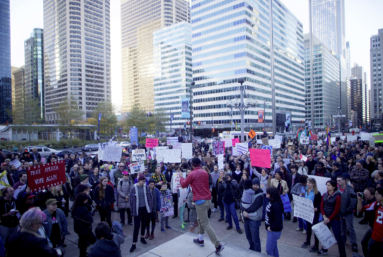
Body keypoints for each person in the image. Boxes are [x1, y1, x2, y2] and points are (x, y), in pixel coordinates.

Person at [179, 157, 224, 254]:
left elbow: (183, 185)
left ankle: (217, 244)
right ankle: (200, 239)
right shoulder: (205, 172)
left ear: (192, 164)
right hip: (207, 199)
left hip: (200, 201)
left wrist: (181, 177)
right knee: (200, 219)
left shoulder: (192, 174)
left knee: (205, 223)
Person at [319, 180, 346, 257]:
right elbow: (321, 206)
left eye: (329, 185)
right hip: (326, 217)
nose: (327, 187)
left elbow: (336, 209)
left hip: (334, 219)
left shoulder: (337, 196)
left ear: (334, 187)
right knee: (324, 235)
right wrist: (324, 216)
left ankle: (343, 254)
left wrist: (329, 219)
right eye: (327, 185)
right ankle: (324, 249)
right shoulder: (324, 194)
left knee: (338, 237)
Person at [128, 174, 153, 253]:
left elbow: (150, 197)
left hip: (145, 208)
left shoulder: (146, 187)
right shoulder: (133, 188)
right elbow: (131, 200)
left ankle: (142, 237)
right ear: (139, 180)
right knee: (136, 226)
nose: (143, 182)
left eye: (144, 181)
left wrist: (150, 207)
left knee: (144, 224)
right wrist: (132, 210)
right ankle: (134, 243)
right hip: (137, 209)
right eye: (142, 180)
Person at [336, 176, 358, 252]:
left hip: (348, 212)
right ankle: (343, 240)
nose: (337, 182)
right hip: (341, 211)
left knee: (350, 228)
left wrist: (347, 210)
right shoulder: (338, 189)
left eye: (339, 180)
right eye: (337, 180)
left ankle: (354, 243)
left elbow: (353, 202)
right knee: (342, 227)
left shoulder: (349, 190)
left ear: (344, 181)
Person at [241, 178, 263, 252]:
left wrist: (245, 211)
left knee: (255, 239)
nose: (255, 186)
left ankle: (257, 253)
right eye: (254, 185)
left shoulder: (260, 195)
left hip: (254, 220)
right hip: (247, 218)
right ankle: (252, 249)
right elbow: (242, 202)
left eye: (257, 185)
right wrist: (244, 211)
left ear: (259, 186)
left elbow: (254, 207)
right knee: (248, 236)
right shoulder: (250, 192)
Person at [301, 178, 321, 252]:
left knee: (315, 229)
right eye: (307, 182)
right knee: (308, 228)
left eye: (309, 183)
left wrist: (317, 208)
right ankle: (308, 241)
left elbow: (320, 203)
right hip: (307, 212)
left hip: (314, 213)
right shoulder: (306, 190)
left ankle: (316, 245)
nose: (307, 184)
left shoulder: (317, 193)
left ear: (313, 184)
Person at [73, 192, 96, 257]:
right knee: (94, 241)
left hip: (79, 229)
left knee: (82, 245)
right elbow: (90, 219)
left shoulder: (76, 207)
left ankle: (82, 255)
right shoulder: (83, 209)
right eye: (85, 200)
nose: (86, 201)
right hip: (85, 230)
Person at [357, 187, 377, 257]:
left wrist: (361, 201)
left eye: (366, 195)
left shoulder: (374, 203)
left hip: (376, 228)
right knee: (364, 242)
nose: (364, 196)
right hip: (372, 227)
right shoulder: (366, 200)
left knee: (371, 245)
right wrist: (359, 200)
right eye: (364, 194)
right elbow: (359, 209)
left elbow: (363, 208)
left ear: (372, 195)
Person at [265, 187, 284, 257]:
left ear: (271, 194)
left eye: (267, 192)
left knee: (269, 249)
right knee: (274, 248)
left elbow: (278, 220)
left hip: (273, 231)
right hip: (271, 230)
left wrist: (271, 228)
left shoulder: (276, 205)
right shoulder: (271, 201)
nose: (266, 193)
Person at [367, 187, 383, 256]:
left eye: (377, 194)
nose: (375, 196)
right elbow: (362, 208)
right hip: (375, 234)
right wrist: (360, 200)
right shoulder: (376, 204)